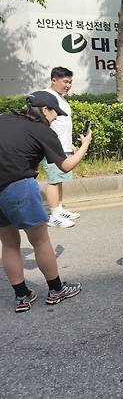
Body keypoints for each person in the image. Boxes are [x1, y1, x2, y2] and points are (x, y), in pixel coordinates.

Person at [0, 91, 90, 312]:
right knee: (40, 241)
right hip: (18, 185)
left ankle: (22, 296)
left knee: (9, 243)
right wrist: (85, 145)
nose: (55, 118)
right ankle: (56, 289)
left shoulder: (4, 118)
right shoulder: (41, 130)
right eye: (54, 113)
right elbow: (65, 166)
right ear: (45, 110)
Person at [42, 67, 79, 228]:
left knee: (60, 178)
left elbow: (61, 124)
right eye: (65, 81)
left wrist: (69, 144)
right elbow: (43, 123)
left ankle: (60, 208)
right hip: (52, 146)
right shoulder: (46, 97)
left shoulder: (60, 98)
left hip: (62, 145)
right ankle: (54, 215)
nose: (68, 85)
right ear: (54, 80)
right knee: (54, 180)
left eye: (70, 82)